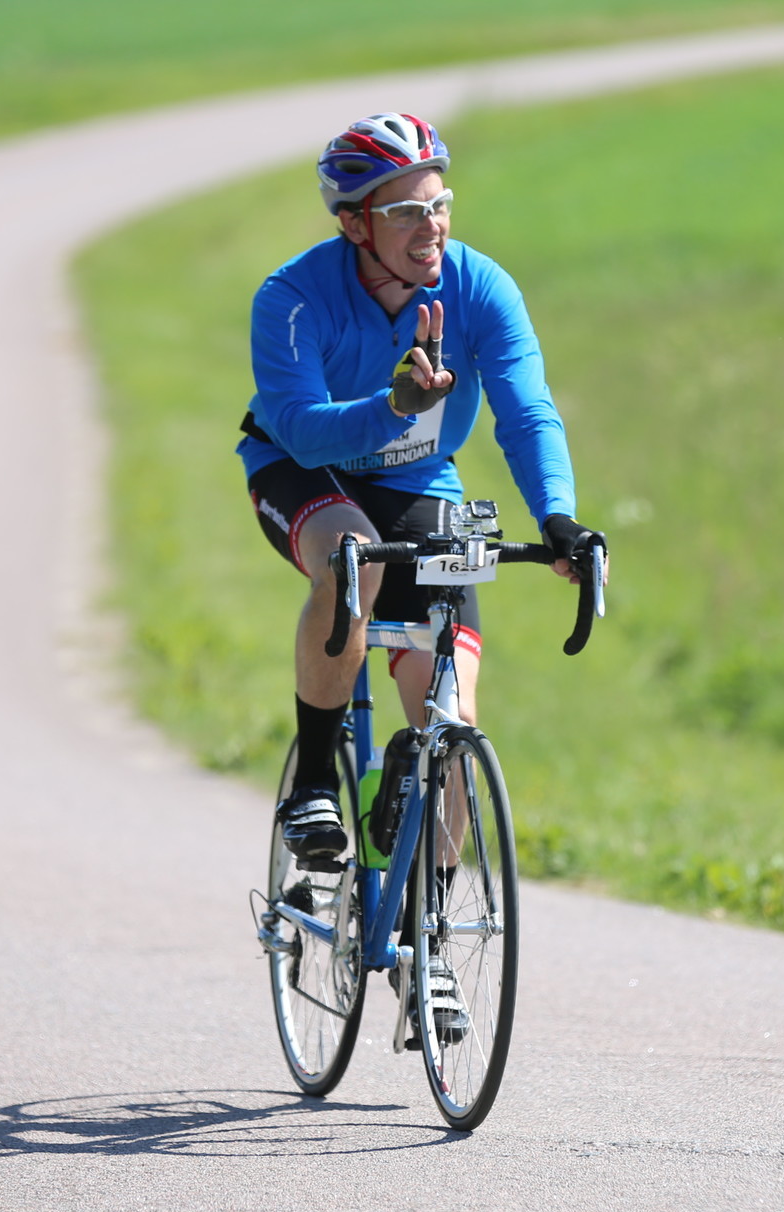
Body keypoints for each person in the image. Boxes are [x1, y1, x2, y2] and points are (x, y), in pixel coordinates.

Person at [239, 112, 602, 863]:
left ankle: (427, 919)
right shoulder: (293, 297)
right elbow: (302, 429)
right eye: (405, 211)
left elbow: (527, 413)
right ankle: (314, 784)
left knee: (454, 714)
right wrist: (393, 407)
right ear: (354, 224)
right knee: (354, 556)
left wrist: (557, 517)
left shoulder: (482, 288)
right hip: (302, 468)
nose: (430, 225)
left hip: (416, 479)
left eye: (438, 204)